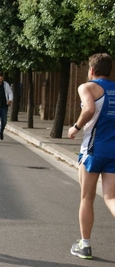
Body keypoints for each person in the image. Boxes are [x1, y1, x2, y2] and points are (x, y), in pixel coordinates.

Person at [68, 53, 115, 260]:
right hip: (113, 150)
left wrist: (75, 128)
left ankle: (84, 245)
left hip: (93, 149)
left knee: (87, 197)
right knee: (111, 198)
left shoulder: (87, 87)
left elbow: (89, 108)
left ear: (92, 70)